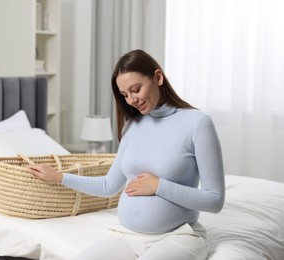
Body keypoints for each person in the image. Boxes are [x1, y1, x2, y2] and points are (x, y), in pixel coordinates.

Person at [28, 49, 225, 260]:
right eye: (124, 95)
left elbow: (215, 200)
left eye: (136, 89)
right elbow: (108, 186)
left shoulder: (197, 123)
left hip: (178, 236)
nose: (131, 100)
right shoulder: (132, 125)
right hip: (127, 236)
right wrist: (59, 177)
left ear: (157, 77)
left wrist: (158, 186)